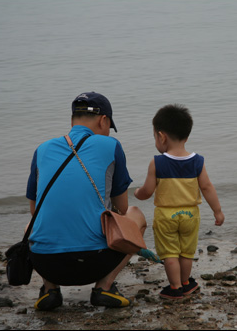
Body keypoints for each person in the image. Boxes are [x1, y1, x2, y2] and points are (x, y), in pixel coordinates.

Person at [26, 91, 158, 311]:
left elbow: (34, 210)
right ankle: (104, 287)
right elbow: (122, 208)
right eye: (108, 126)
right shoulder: (111, 145)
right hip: (96, 261)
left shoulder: (42, 149)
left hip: (46, 263)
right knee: (136, 214)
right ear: (103, 120)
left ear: (72, 120)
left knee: (32, 224)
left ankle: (50, 289)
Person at [134, 103, 225, 299]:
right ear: (187, 135)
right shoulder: (197, 161)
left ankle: (175, 287)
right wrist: (217, 211)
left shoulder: (157, 163)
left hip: (166, 215)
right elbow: (207, 187)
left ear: (161, 136)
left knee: (169, 254)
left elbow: (147, 191)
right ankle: (186, 282)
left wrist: (137, 193)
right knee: (186, 252)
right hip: (191, 214)